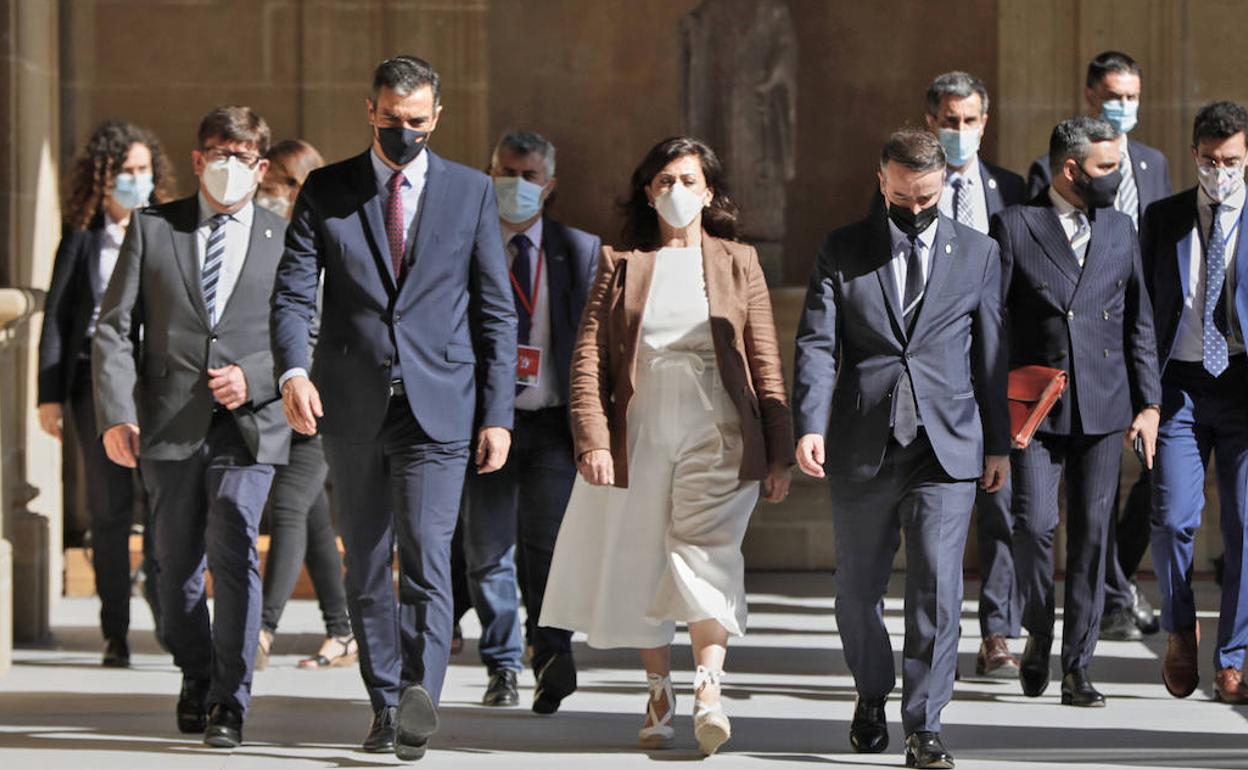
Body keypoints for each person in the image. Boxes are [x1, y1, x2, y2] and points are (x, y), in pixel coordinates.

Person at [271, 55, 515, 761]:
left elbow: (496, 312)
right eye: (391, 118)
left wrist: (497, 414)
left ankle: (419, 700)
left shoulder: (470, 192)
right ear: (369, 110)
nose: (404, 131)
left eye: (417, 121)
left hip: (440, 407)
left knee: (428, 557)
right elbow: (292, 291)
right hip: (350, 405)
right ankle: (384, 702)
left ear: (435, 118)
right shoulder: (327, 190)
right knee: (366, 564)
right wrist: (292, 369)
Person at [541, 136, 793, 757]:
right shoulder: (621, 262)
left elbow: (764, 359)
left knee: (705, 552)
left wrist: (780, 452)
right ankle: (659, 689)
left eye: (688, 179)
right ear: (648, 193)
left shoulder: (739, 261)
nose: (676, 191)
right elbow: (587, 362)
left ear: (709, 191)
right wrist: (593, 440)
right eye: (664, 181)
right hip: (642, 426)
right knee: (646, 559)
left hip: (720, 427)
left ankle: (710, 688)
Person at [795, 128, 1008, 769]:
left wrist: (998, 444)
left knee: (938, 589)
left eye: (928, 198)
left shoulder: (978, 252)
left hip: (944, 448)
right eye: (903, 198)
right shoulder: (843, 248)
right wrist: (809, 423)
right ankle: (870, 692)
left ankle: (925, 725)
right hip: (863, 441)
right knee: (856, 591)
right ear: (881, 180)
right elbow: (816, 344)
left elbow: (991, 357)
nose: (916, 212)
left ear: (942, 183)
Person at [93, 105, 290, 748]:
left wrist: (257, 378)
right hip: (168, 422)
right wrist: (118, 413)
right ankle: (197, 669)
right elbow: (115, 329)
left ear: (261, 169)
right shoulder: (154, 229)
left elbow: (308, 331)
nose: (229, 167)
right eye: (217, 153)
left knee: (234, 539)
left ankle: (230, 703)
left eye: (243, 157)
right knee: (172, 569)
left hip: (250, 426)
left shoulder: (284, 237)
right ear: (199, 158)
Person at [994, 116, 1162, 708]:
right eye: (1107, 167)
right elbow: (992, 323)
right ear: (1071, 169)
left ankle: (1077, 666)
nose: (1117, 177)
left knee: (1093, 540)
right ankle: (1039, 632)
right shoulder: (1016, 224)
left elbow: (1140, 322)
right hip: (1034, 412)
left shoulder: (1119, 229)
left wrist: (1150, 405)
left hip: (1104, 408)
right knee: (1033, 525)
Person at [458, 130, 599, 712]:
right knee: (487, 549)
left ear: (550, 185)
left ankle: (550, 655)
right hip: (484, 421)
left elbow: (595, 347)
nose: (516, 184)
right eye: (505, 171)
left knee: (547, 547)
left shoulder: (580, 250)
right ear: (488, 173)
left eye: (530, 175)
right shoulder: (465, 245)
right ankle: (501, 665)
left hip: (549, 423)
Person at [37, 119, 175, 667]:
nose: (135, 180)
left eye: (143, 170)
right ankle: (115, 629)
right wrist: (49, 394)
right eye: (125, 172)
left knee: (167, 501)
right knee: (110, 510)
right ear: (103, 177)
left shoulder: (169, 228)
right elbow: (56, 314)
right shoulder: (82, 234)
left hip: (159, 382)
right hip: (92, 380)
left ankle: (170, 616)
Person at [1142, 100, 1248, 704]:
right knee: (1174, 516)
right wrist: (1145, 399)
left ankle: (1231, 657)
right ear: (1193, 155)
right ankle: (1181, 629)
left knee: (1244, 525)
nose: (1221, 172)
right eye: (1210, 161)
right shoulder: (1165, 217)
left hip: (1242, 386)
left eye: (1232, 160)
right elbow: (1141, 315)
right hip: (1179, 386)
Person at [924, 70, 1027, 677]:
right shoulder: (908, 188)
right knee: (937, 505)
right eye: (948, 120)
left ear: (984, 123)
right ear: (931, 121)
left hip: (998, 365)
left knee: (1000, 500)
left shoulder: (1013, 188)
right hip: (936, 368)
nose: (959, 131)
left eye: (969, 121)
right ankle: (937, 633)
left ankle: (996, 631)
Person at [251, 139, 357, 672]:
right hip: (277, 395)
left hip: (325, 396)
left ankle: (262, 630)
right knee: (312, 516)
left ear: (297, 188)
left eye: (272, 189)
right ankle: (342, 631)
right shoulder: (266, 240)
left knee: (290, 504)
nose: (263, 198)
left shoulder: (328, 237)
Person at [1027, 51, 1172, 225]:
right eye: (1114, 97)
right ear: (1090, 96)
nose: (1125, 106)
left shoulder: (1154, 162)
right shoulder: (1051, 167)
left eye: (1132, 97)